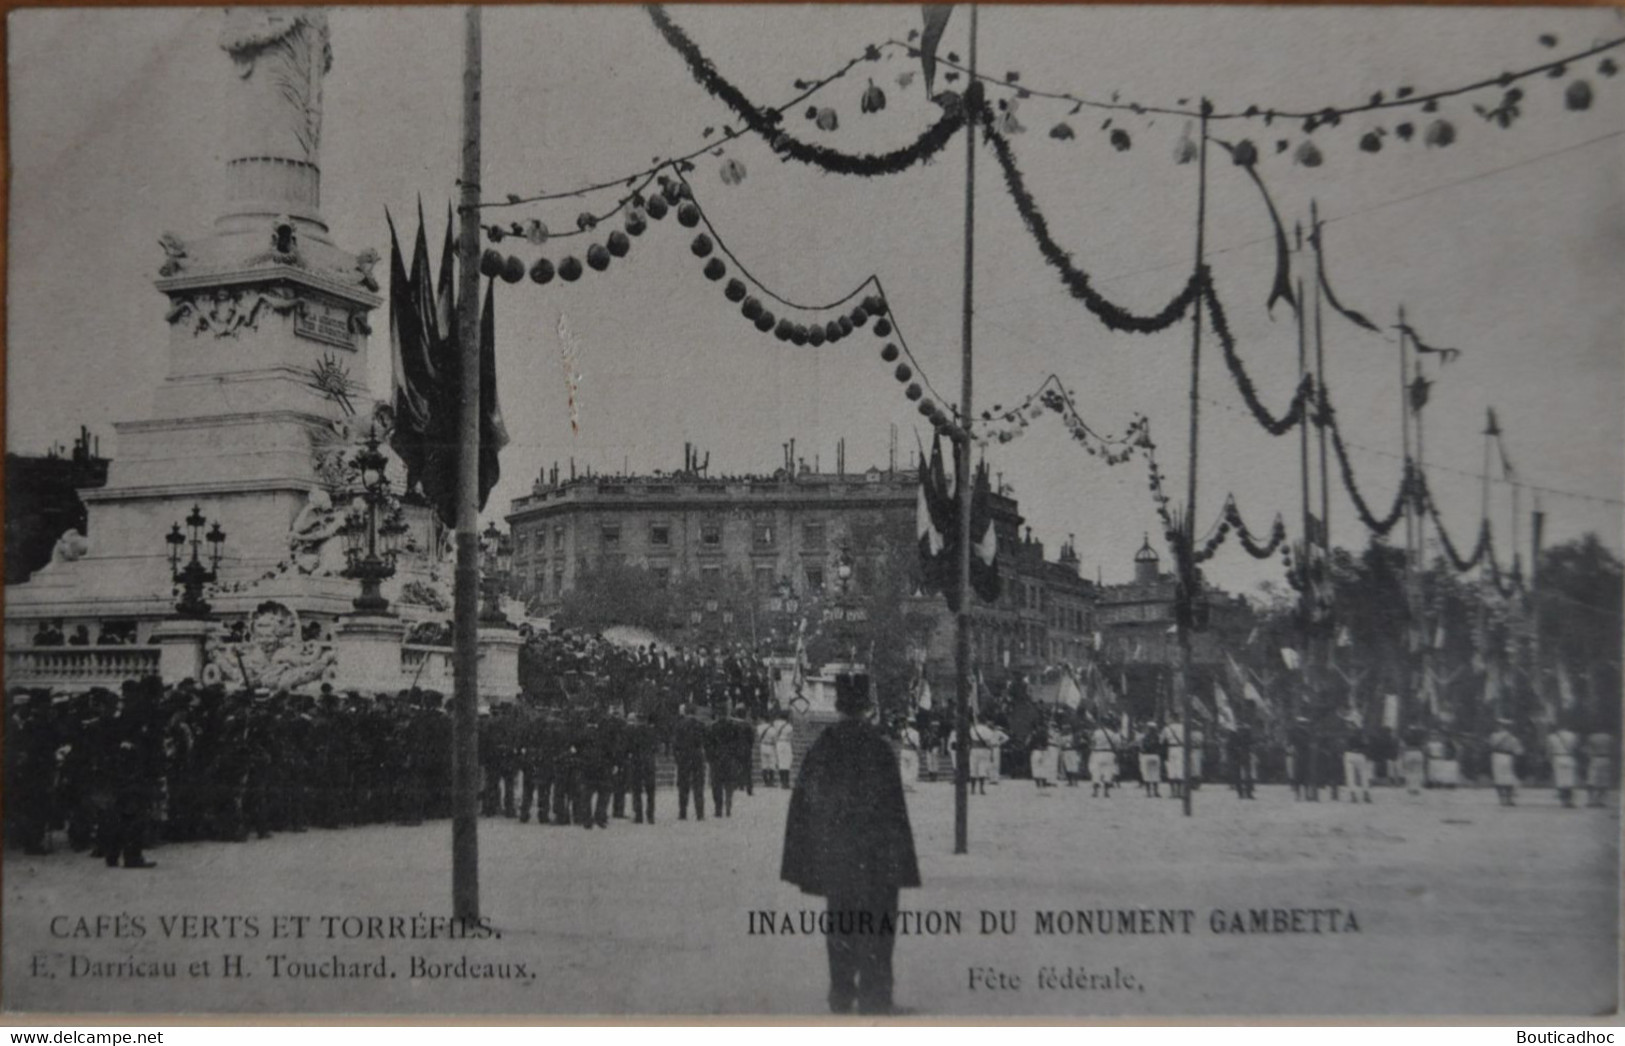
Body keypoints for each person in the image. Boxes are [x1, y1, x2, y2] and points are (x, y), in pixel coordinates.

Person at [781, 673, 920, 1016]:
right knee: (878, 924)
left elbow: (804, 801)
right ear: (868, 708)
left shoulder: (823, 745)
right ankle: (876, 995)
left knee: (840, 920)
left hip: (837, 854)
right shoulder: (878, 746)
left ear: (839, 706)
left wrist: (811, 852)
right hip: (876, 856)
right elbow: (893, 808)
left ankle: (841, 992)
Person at [672, 704, 707, 821]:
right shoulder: (700, 724)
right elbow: (705, 741)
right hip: (697, 755)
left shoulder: (679, 725)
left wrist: (677, 757)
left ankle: (683, 812)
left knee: (683, 785)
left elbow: (675, 743)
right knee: (698, 785)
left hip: (684, 756)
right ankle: (700, 813)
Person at [1488, 719, 1524, 807]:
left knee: (1498, 778)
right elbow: (1519, 751)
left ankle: (1501, 799)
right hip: (1508, 757)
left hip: (1496, 757)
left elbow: (1490, 745)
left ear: (1500, 726)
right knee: (1509, 777)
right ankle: (1509, 799)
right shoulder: (1513, 738)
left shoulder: (1493, 736)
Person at [1547, 722, 1581, 809]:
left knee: (1560, 780)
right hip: (1569, 757)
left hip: (1557, 757)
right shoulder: (1573, 735)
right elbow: (1576, 748)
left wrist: (1550, 760)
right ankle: (1569, 800)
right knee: (1570, 780)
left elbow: (1549, 750)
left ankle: (1563, 800)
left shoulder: (1551, 737)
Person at [1582, 728, 1615, 808]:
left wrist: (1588, 756)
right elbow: (1613, 749)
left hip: (1595, 758)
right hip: (1606, 758)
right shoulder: (1609, 737)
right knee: (1604, 780)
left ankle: (1591, 800)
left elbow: (1586, 749)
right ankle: (1601, 800)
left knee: (1591, 780)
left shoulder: (1592, 737)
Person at [1343, 719, 1373, 804]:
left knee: (1350, 776)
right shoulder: (1361, 733)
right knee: (1363, 775)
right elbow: (1366, 743)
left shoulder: (1346, 733)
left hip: (1349, 754)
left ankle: (1353, 795)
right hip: (1360, 754)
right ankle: (1366, 794)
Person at [1089, 717, 1120, 798]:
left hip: (1098, 752)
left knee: (1096, 772)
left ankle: (1095, 792)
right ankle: (1106, 792)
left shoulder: (1096, 733)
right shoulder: (1113, 734)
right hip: (1109, 753)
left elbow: (1092, 743)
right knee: (1108, 772)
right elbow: (1117, 745)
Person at [1161, 714, 1187, 801]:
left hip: (1171, 749)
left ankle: (1173, 792)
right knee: (1180, 770)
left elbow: (1161, 740)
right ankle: (1180, 792)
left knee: (1171, 770)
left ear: (1172, 718)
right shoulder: (1183, 727)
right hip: (1181, 749)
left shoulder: (1167, 728)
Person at [772, 712, 796, 789]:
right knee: (787, 763)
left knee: (781, 762)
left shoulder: (775, 723)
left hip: (779, 743)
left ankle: (782, 782)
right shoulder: (789, 726)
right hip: (786, 743)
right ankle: (786, 782)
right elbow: (790, 737)